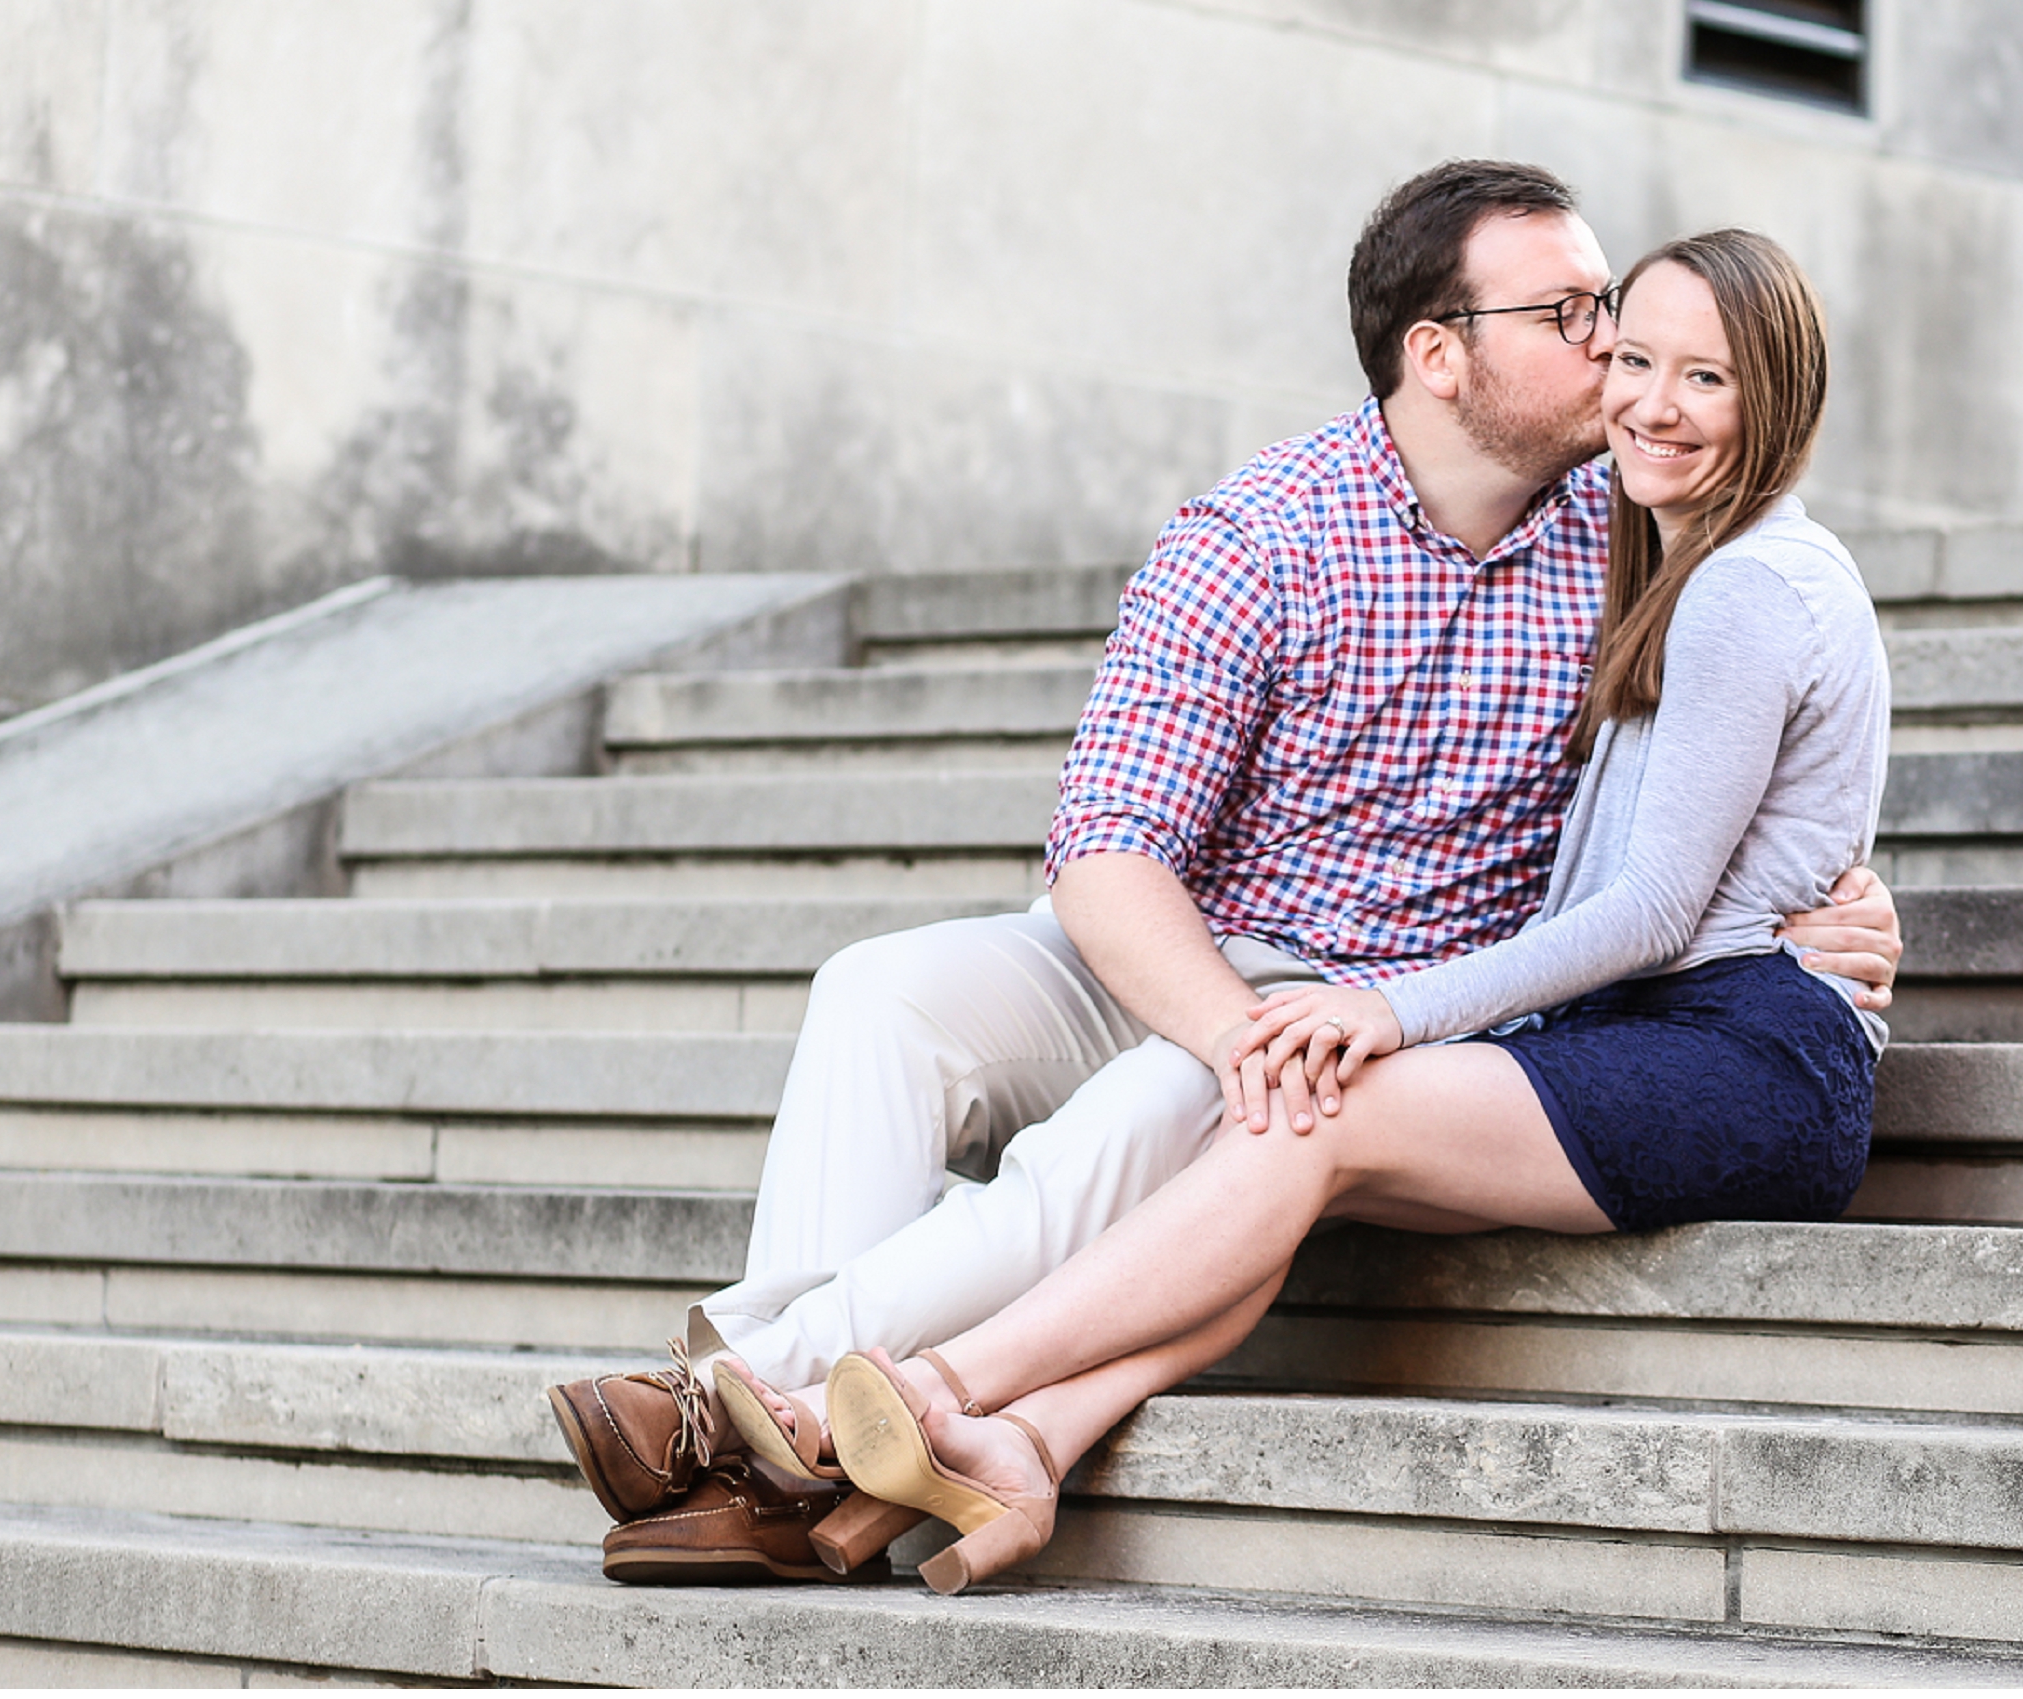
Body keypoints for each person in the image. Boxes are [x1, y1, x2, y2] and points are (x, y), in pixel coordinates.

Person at [550, 166, 1904, 1584]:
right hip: (1182, 957)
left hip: (1372, 994)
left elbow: (1753, 755)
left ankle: (744, 1417)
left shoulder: (1627, 535)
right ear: (1439, 356)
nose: (1615, 359)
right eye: (1579, 317)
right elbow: (1111, 849)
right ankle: (778, 1397)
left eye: (1619, 315)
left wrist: (1836, 900)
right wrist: (1227, 1029)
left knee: (1199, 1098)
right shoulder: (1267, 532)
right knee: (880, 991)